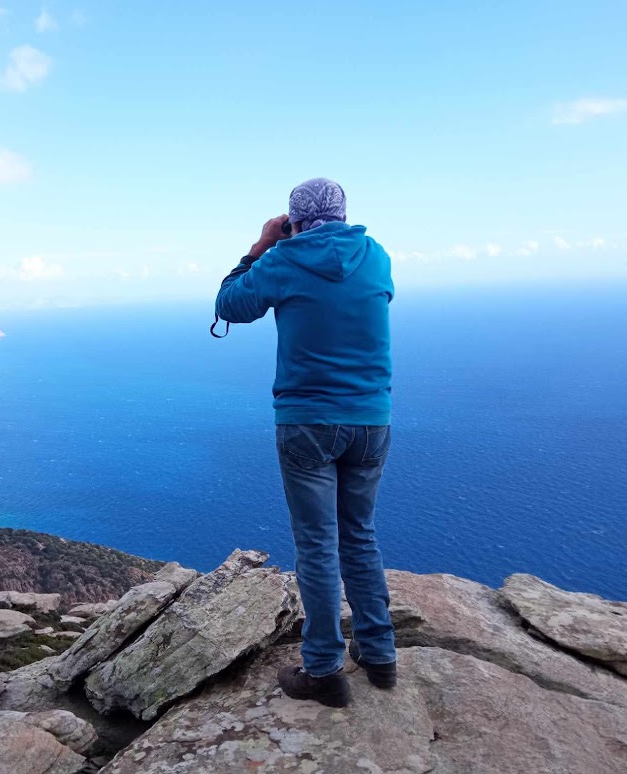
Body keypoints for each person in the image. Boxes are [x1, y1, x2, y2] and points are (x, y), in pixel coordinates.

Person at [214, 178, 396, 707]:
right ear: (344, 213)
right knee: (359, 535)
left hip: (307, 421)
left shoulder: (284, 258)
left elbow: (230, 306)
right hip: (371, 419)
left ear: (293, 219)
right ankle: (380, 657)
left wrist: (261, 245)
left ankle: (322, 671)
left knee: (317, 546)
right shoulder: (376, 255)